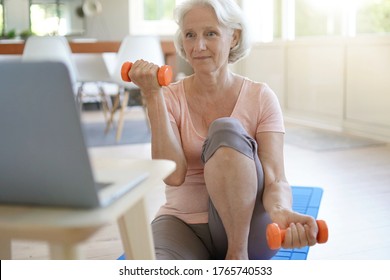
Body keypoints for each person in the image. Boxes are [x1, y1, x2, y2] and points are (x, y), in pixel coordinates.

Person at [127, 0, 318, 260]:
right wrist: (153, 96)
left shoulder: (260, 96)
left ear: (234, 38)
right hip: (183, 224)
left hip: (250, 230)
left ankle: (237, 257)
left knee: (225, 130)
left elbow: (275, 177)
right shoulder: (168, 97)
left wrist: (281, 211)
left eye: (211, 33)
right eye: (190, 35)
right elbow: (173, 175)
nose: (198, 46)